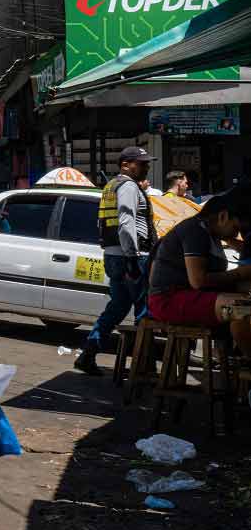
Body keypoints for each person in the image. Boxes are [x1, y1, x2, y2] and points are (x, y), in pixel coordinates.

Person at [75, 146, 157, 375]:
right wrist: (132, 258)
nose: (146, 167)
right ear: (125, 165)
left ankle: (88, 354)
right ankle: (145, 365)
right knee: (144, 311)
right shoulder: (129, 187)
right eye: (141, 163)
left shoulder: (112, 186)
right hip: (132, 256)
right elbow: (126, 221)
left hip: (113, 255)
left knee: (118, 307)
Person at [147, 194, 251, 354]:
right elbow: (198, 281)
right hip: (169, 302)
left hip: (195, 297)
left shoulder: (213, 234)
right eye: (235, 228)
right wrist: (239, 273)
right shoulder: (195, 230)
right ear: (223, 216)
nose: (235, 233)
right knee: (244, 309)